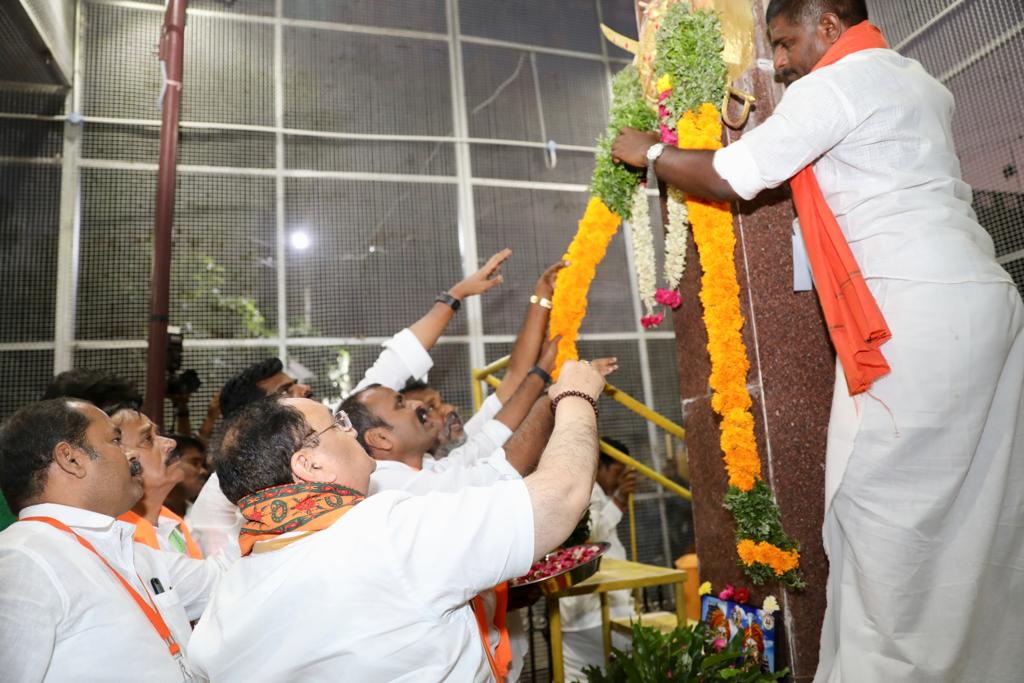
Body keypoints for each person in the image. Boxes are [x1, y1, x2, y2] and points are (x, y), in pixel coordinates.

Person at [611, 1, 1024, 680]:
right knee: (980, 514)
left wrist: (649, 152)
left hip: (912, 314)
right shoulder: (922, 82)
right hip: (985, 304)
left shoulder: (835, 84)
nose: (779, 61)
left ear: (828, 26)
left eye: (785, 42)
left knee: (875, 518)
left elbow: (732, 175)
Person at [187, 359, 607, 682]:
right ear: (310, 464)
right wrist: (576, 398)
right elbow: (562, 496)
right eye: (338, 424)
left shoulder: (227, 597)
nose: (352, 432)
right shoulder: (382, 535)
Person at [186, 249, 514, 557]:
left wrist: (455, 296)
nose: (307, 388)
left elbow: (392, 367)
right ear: (260, 419)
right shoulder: (241, 479)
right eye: (289, 390)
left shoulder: (326, 436)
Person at [0, 399, 227, 681]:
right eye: (116, 440)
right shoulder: (23, 559)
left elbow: (224, 580)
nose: (131, 455)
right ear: (70, 459)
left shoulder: (125, 550)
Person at [43, 369, 204, 559]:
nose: (171, 443)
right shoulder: (106, 543)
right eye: (147, 439)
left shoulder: (169, 521)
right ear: (72, 457)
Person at [560, 437, 636, 681]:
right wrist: (619, 499)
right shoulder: (586, 490)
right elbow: (588, 533)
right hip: (596, 609)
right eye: (617, 471)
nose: (621, 478)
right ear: (598, 466)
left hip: (589, 611)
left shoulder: (595, 491)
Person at [163, 435, 210, 518]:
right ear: (170, 463)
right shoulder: (138, 521)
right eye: (195, 463)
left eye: (203, 465)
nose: (203, 471)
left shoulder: (205, 515)